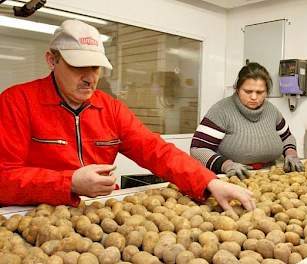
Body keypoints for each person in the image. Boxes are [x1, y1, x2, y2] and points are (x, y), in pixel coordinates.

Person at [0, 20, 255, 212]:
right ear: (51, 60)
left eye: (95, 67)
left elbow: (156, 150)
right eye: (78, 66)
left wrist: (208, 182)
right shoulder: (16, 102)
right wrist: (69, 183)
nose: (90, 77)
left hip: (100, 213)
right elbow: (4, 178)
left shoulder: (109, 108)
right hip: (34, 214)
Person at [190, 62, 304, 179]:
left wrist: (291, 153)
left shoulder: (271, 110)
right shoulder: (221, 111)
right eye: (248, 91)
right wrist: (225, 165)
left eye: (260, 92)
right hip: (233, 178)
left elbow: (286, 137)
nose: (254, 97)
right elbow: (197, 150)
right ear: (237, 89)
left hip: (272, 176)